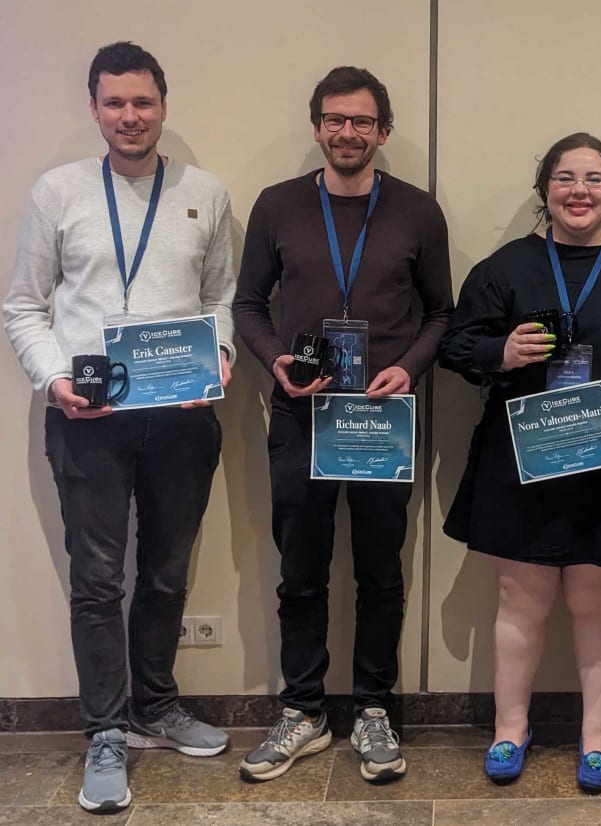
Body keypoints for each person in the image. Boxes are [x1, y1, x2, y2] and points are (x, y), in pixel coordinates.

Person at [2, 42, 235, 813]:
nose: (129, 116)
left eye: (142, 102)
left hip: (180, 415)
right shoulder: (58, 191)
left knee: (167, 572)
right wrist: (53, 377)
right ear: (95, 109)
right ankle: (105, 728)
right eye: (113, 103)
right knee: (98, 581)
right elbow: (24, 306)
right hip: (88, 417)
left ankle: (155, 708)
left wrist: (224, 354)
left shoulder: (206, 191)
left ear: (164, 105)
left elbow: (221, 297)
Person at [440, 132, 601, 792]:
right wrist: (502, 351)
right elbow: (457, 344)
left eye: (593, 177)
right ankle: (510, 729)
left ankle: (598, 738)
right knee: (518, 600)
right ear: (545, 192)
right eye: (564, 177)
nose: (579, 190)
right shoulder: (505, 269)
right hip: (522, 462)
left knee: (596, 600)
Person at [233, 66, 453, 784]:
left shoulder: (418, 211)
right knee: (301, 570)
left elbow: (442, 314)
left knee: (380, 571)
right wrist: (274, 363)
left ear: (383, 131)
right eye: (334, 120)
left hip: (382, 419)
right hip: (302, 415)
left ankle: (372, 709)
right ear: (317, 127)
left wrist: (410, 369)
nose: (347, 132)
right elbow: (247, 306)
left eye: (361, 121)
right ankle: (302, 710)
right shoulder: (277, 206)